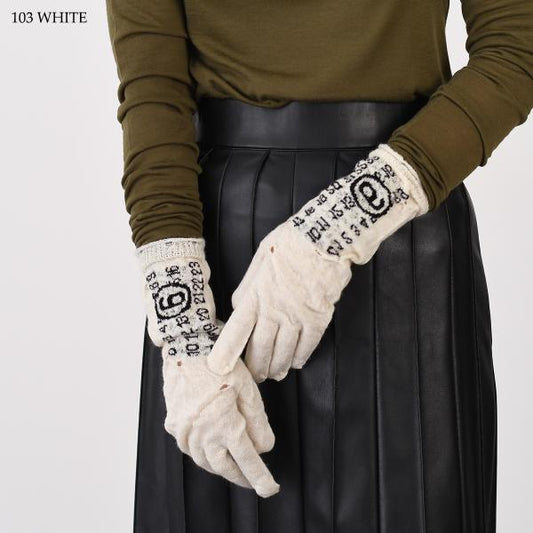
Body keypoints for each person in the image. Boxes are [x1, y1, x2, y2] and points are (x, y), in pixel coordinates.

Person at [105, 1, 533, 531]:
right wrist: (186, 337)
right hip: (219, 268)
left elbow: (517, 44)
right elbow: (153, 92)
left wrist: (330, 237)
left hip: (403, 241)